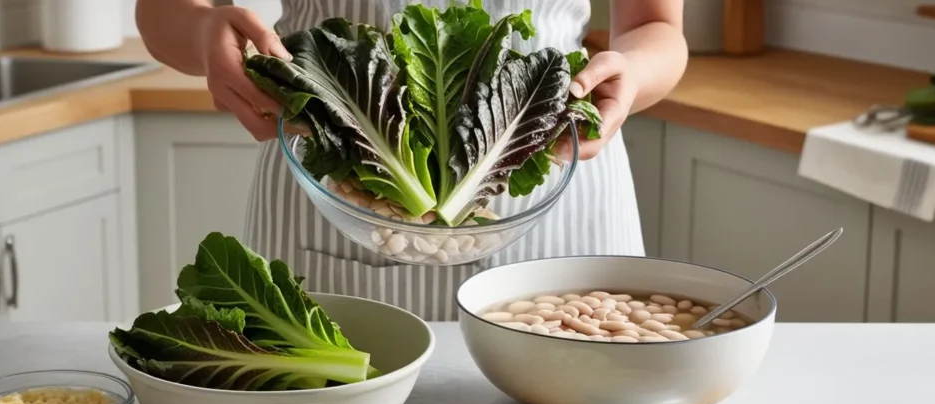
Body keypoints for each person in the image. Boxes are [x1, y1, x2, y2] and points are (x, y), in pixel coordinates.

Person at [136, 0, 688, 321]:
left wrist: (633, 73)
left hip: (555, 167)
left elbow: (657, 27)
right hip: (337, 168)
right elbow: (162, 12)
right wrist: (204, 31)